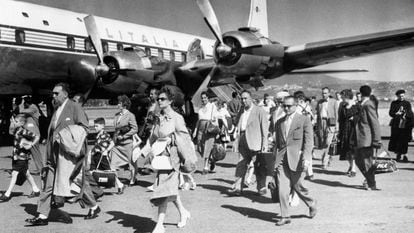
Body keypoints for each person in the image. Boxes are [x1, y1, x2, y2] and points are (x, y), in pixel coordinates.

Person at [26, 83, 100, 226]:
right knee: (48, 184)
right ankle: (42, 216)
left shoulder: (74, 107)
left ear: (65, 94)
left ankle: (94, 206)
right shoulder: (57, 109)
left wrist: (65, 136)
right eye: (53, 93)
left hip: (67, 157)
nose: (53, 96)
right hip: (53, 157)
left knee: (76, 182)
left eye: (56, 93)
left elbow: (84, 128)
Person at [148, 87, 191, 233]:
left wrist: (171, 139)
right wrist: (144, 152)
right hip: (161, 159)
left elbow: (185, 137)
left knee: (164, 190)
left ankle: (159, 225)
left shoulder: (177, 118)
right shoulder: (158, 117)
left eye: (162, 99)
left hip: (172, 159)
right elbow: (153, 136)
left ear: (171, 101)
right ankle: (183, 212)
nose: (159, 101)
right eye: (158, 99)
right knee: (169, 189)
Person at [273, 96, 317, 226]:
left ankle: (311, 202)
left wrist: (307, 158)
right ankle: (285, 216)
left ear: (296, 105)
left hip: (297, 159)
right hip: (282, 159)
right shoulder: (279, 122)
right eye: (284, 106)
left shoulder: (304, 120)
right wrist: (274, 160)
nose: (286, 108)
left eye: (289, 106)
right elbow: (278, 144)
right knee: (282, 188)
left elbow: (309, 141)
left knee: (298, 186)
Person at [229, 90, 269, 195]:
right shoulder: (241, 110)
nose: (243, 100)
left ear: (251, 98)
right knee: (241, 165)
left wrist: (264, 145)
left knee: (258, 166)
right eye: (242, 98)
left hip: (255, 142)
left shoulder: (259, 111)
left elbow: (265, 129)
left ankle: (261, 187)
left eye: (245, 98)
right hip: (242, 140)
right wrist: (236, 139)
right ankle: (238, 188)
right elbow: (237, 123)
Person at [0, 114, 40, 202]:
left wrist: (31, 144)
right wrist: (12, 122)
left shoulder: (24, 131)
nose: (15, 123)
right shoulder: (17, 130)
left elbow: (36, 136)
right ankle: (36, 190)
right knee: (27, 173)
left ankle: (7, 194)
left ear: (22, 123)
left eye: (16, 122)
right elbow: (10, 131)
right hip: (16, 156)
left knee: (14, 174)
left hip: (22, 157)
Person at [355, 85, 381, 191]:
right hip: (361, 137)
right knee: (359, 161)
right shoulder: (363, 104)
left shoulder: (368, 104)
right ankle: (369, 181)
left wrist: (376, 139)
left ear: (360, 93)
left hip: (367, 138)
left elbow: (374, 122)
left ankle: (371, 184)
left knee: (367, 162)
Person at [110, 95, 138, 188]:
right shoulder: (116, 115)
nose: (118, 104)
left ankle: (133, 179)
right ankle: (118, 183)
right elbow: (115, 129)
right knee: (113, 164)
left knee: (131, 162)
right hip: (117, 144)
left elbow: (135, 129)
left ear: (124, 104)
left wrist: (125, 136)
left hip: (127, 143)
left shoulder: (130, 115)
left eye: (119, 103)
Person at [192, 91, 219, 174]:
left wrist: (217, 131)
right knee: (200, 147)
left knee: (207, 147)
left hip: (209, 129)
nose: (203, 99)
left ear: (208, 98)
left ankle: (205, 167)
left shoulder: (212, 106)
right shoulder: (200, 109)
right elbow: (198, 121)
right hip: (201, 129)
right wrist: (195, 131)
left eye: (205, 98)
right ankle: (212, 159)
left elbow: (216, 118)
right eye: (202, 98)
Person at [293, 91, 315, 180]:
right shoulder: (308, 107)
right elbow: (313, 119)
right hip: (308, 131)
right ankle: (310, 172)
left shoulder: (297, 108)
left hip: (299, 131)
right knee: (308, 150)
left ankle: (299, 170)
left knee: (300, 151)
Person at [337, 89, 359, 177]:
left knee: (352, 150)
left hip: (354, 131)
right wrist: (339, 131)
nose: (341, 98)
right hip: (344, 130)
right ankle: (351, 166)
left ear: (346, 96)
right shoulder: (342, 106)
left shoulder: (357, 106)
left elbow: (362, 118)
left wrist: (354, 118)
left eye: (342, 96)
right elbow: (340, 120)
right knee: (346, 150)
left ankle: (353, 169)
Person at [19, 96, 44, 174]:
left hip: (34, 134)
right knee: (32, 153)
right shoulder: (30, 108)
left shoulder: (33, 108)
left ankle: (41, 170)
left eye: (25, 103)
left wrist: (22, 102)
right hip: (30, 134)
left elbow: (21, 110)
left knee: (35, 153)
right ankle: (40, 169)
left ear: (27, 103)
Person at [316, 87, 338, 169]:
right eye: (322, 93)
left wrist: (337, 126)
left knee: (328, 143)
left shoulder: (334, 102)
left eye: (325, 93)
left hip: (331, 123)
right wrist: (318, 126)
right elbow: (318, 115)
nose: (323, 94)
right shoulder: (320, 103)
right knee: (323, 142)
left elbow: (336, 114)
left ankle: (324, 162)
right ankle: (329, 157)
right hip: (322, 123)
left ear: (329, 93)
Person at [388, 89, 413, 162]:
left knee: (404, 140)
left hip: (405, 124)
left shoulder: (407, 103)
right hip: (396, 124)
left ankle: (405, 155)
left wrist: (406, 114)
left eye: (403, 96)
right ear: (397, 96)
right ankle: (398, 154)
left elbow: (411, 113)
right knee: (397, 139)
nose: (402, 97)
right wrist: (396, 113)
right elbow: (390, 113)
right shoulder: (394, 103)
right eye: (400, 96)